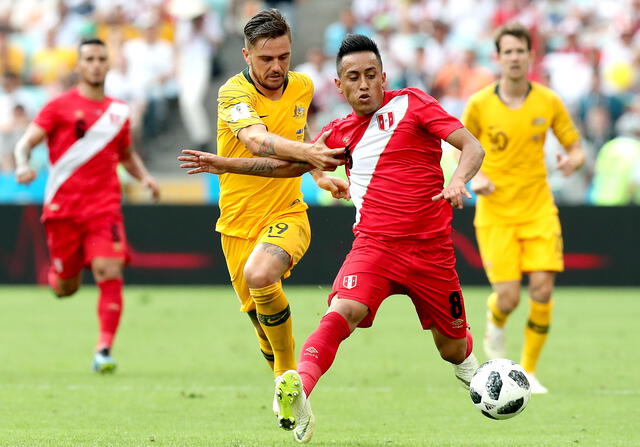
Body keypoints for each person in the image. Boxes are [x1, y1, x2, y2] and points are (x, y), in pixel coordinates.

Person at [180, 34, 485, 443]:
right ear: (339, 86)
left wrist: (458, 180)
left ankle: (476, 373)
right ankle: (298, 390)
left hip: (432, 254)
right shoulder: (339, 132)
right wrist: (223, 163)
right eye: (353, 77)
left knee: (451, 348)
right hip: (375, 249)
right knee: (343, 312)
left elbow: (471, 145)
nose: (363, 85)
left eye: (370, 75)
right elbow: (287, 166)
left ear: (383, 77)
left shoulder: (413, 103)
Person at [179, 8, 348, 428]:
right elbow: (256, 140)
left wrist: (319, 174)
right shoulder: (232, 94)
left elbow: (299, 136)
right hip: (235, 225)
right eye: (266, 59)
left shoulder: (303, 85)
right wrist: (311, 157)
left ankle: (288, 380)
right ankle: (284, 377)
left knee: (261, 275)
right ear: (246, 56)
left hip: (288, 213)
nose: (277, 67)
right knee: (261, 325)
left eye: (284, 57)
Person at [14, 38, 160, 373]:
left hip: (103, 207)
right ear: (78, 66)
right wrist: (22, 164)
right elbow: (26, 144)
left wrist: (145, 178)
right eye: (89, 59)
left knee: (109, 270)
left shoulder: (119, 112)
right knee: (67, 287)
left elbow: (126, 155)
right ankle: (58, 276)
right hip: (63, 209)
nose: (95, 64)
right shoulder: (58, 106)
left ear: (108, 65)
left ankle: (103, 350)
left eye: (101, 59)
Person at [461, 23, 585, 394]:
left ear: (531, 56)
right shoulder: (480, 104)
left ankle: (528, 371)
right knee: (511, 297)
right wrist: (472, 179)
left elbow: (575, 146)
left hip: (538, 208)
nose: (515, 57)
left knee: (543, 290)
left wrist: (572, 161)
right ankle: (495, 317)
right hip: (496, 211)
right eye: (508, 51)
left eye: (521, 51)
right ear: (498, 58)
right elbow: (456, 147)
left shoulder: (548, 101)